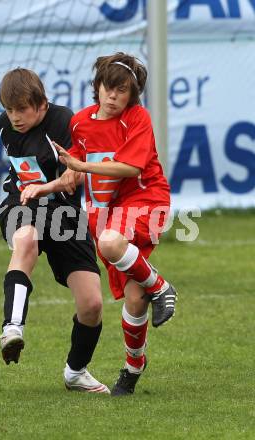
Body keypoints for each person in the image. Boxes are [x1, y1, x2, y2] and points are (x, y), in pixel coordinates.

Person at [54, 52, 178, 396]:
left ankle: (162, 287)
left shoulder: (138, 118)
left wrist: (81, 167)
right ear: (97, 87)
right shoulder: (79, 122)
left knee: (110, 243)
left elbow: (131, 169)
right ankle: (134, 365)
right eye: (108, 87)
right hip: (105, 213)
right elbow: (76, 164)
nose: (113, 96)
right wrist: (68, 174)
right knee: (135, 299)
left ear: (132, 95)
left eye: (122, 91)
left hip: (146, 200)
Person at [0, 68, 109, 393]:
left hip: (63, 210)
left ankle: (75, 372)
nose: (14, 117)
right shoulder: (6, 126)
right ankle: (12, 328)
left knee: (92, 305)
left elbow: (73, 178)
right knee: (26, 240)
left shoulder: (64, 122)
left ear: (42, 104)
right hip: (21, 202)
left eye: (22, 109)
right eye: (9, 109)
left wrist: (44, 189)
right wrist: (33, 193)